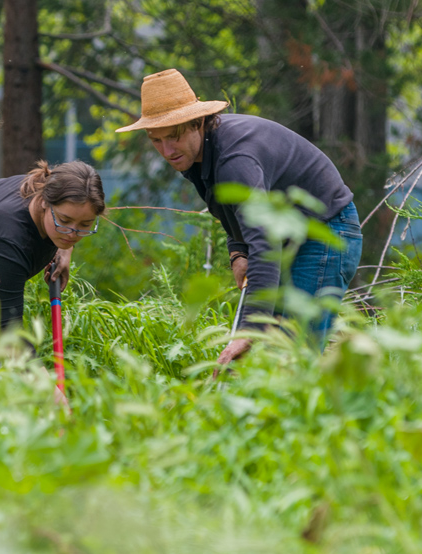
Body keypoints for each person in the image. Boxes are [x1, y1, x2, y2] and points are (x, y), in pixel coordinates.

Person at [116, 68, 362, 365]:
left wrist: (249, 329)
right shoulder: (195, 154)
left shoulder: (235, 160)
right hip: (288, 234)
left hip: (326, 232)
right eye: (156, 140)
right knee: (270, 357)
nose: (167, 151)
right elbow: (233, 212)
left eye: (174, 136)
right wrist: (238, 253)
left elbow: (265, 243)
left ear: (198, 123)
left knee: (295, 354)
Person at [0, 160, 106, 331]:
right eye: (64, 220)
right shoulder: (11, 236)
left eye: (85, 224)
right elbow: (9, 328)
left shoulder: (43, 188)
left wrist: (65, 248)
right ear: (45, 202)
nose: (72, 233)